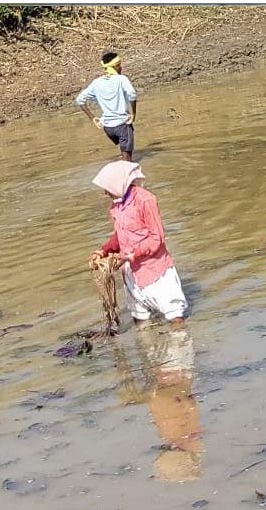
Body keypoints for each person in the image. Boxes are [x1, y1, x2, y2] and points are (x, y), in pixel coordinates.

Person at [89, 161, 187, 326]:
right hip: (132, 273)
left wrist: (133, 254)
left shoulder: (145, 200)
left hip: (156, 272)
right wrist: (103, 251)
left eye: (107, 188)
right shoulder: (116, 206)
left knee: (174, 317)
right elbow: (120, 234)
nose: (105, 193)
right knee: (140, 321)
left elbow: (157, 238)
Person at [75, 51, 138, 161]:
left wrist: (93, 118)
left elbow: (80, 100)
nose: (121, 67)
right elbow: (132, 94)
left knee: (124, 153)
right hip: (122, 125)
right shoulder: (121, 79)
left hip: (108, 128)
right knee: (128, 161)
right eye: (118, 65)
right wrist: (133, 114)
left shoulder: (96, 83)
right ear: (114, 66)